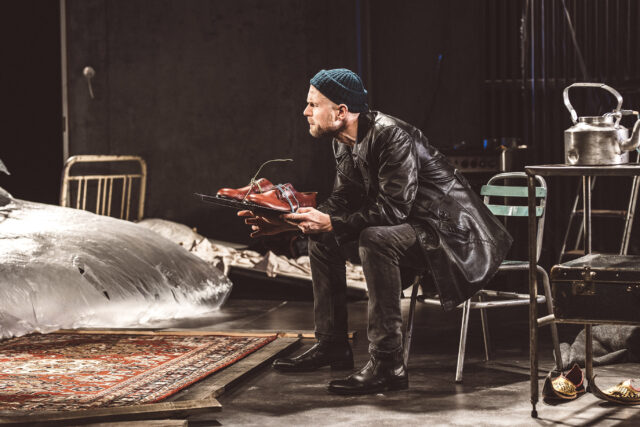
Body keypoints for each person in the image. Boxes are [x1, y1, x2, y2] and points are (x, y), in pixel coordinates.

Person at [238, 68, 512, 395]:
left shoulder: (391, 136)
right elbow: (344, 198)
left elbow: (394, 209)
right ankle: (332, 344)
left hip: (454, 236)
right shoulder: (343, 141)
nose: (305, 112)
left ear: (341, 111)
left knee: (375, 239)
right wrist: (293, 219)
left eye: (313, 104)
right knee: (322, 238)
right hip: (417, 227)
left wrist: (332, 222)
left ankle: (388, 364)